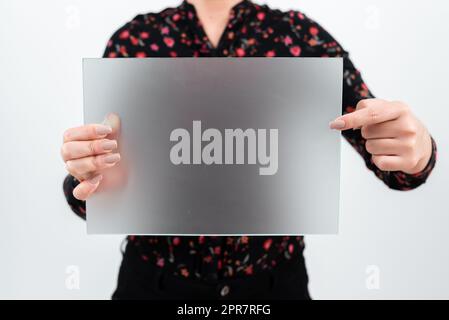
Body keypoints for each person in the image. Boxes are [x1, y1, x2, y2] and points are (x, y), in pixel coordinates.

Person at [61, 0, 437, 300]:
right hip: (153, 284)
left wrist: (418, 149)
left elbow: (389, 155)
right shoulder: (135, 41)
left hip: (274, 286)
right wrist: (91, 182)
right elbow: (96, 183)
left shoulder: (300, 38)